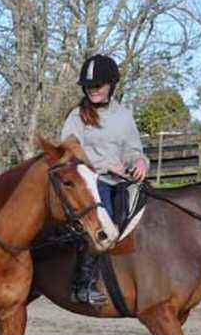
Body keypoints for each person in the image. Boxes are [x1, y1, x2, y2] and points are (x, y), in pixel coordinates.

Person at [59, 54, 149, 307]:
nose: (93, 90)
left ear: (112, 84)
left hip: (122, 182)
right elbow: (68, 154)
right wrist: (103, 166)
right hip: (90, 184)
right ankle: (82, 283)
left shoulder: (123, 115)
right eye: (88, 86)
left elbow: (133, 149)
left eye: (98, 85)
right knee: (103, 221)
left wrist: (140, 163)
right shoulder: (77, 116)